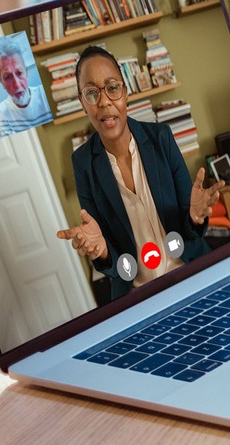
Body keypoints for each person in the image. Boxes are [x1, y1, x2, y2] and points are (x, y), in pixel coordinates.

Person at [56, 45, 213, 297]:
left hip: (192, 275)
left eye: (112, 88)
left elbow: (190, 229)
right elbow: (111, 257)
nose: (105, 101)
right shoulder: (82, 163)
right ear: (83, 103)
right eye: (91, 93)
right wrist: (102, 249)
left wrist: (195, 216)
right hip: (138, 296)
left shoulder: (161, 138)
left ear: (125, 93)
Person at [0, 39, 52, 136]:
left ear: (26, 72)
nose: (17, 84)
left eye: (19, 73)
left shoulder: (44, 93)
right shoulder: (3, 110)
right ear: (1, 82)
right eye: (7, 77)